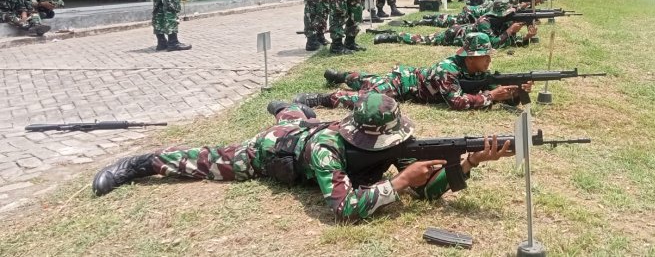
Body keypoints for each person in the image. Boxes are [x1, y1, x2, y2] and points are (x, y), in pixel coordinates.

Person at [91, 93, 513, 220]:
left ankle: (289, 106)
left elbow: (424, 194)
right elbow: (343, 207)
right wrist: (399, 182)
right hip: (275, 148)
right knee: (205, 161)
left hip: (309, 128)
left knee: (295, 113)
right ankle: (141, 162)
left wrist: (469, 162)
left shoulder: (394, 138)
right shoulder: (330, 151)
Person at [294, 33, 534, 111]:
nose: (490, 59)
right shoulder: (446, 70)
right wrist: (493, 96)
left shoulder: (474, 70)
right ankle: (321, 97)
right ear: (471, 57)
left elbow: (485, 86)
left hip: (407, 76)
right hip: (401, 84)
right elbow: (457, 102)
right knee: (370, 98)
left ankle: (342, 75)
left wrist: (513, 93)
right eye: (486, 56)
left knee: (367, 79)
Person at [373, 0, 537, 48]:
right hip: (454, 34)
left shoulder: (499, 21)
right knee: (422, 39)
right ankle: (390, 35)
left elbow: (507, 41)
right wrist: (510, 31)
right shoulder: (485, 22)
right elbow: (492, 44)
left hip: (461, 31)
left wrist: (525, 38)